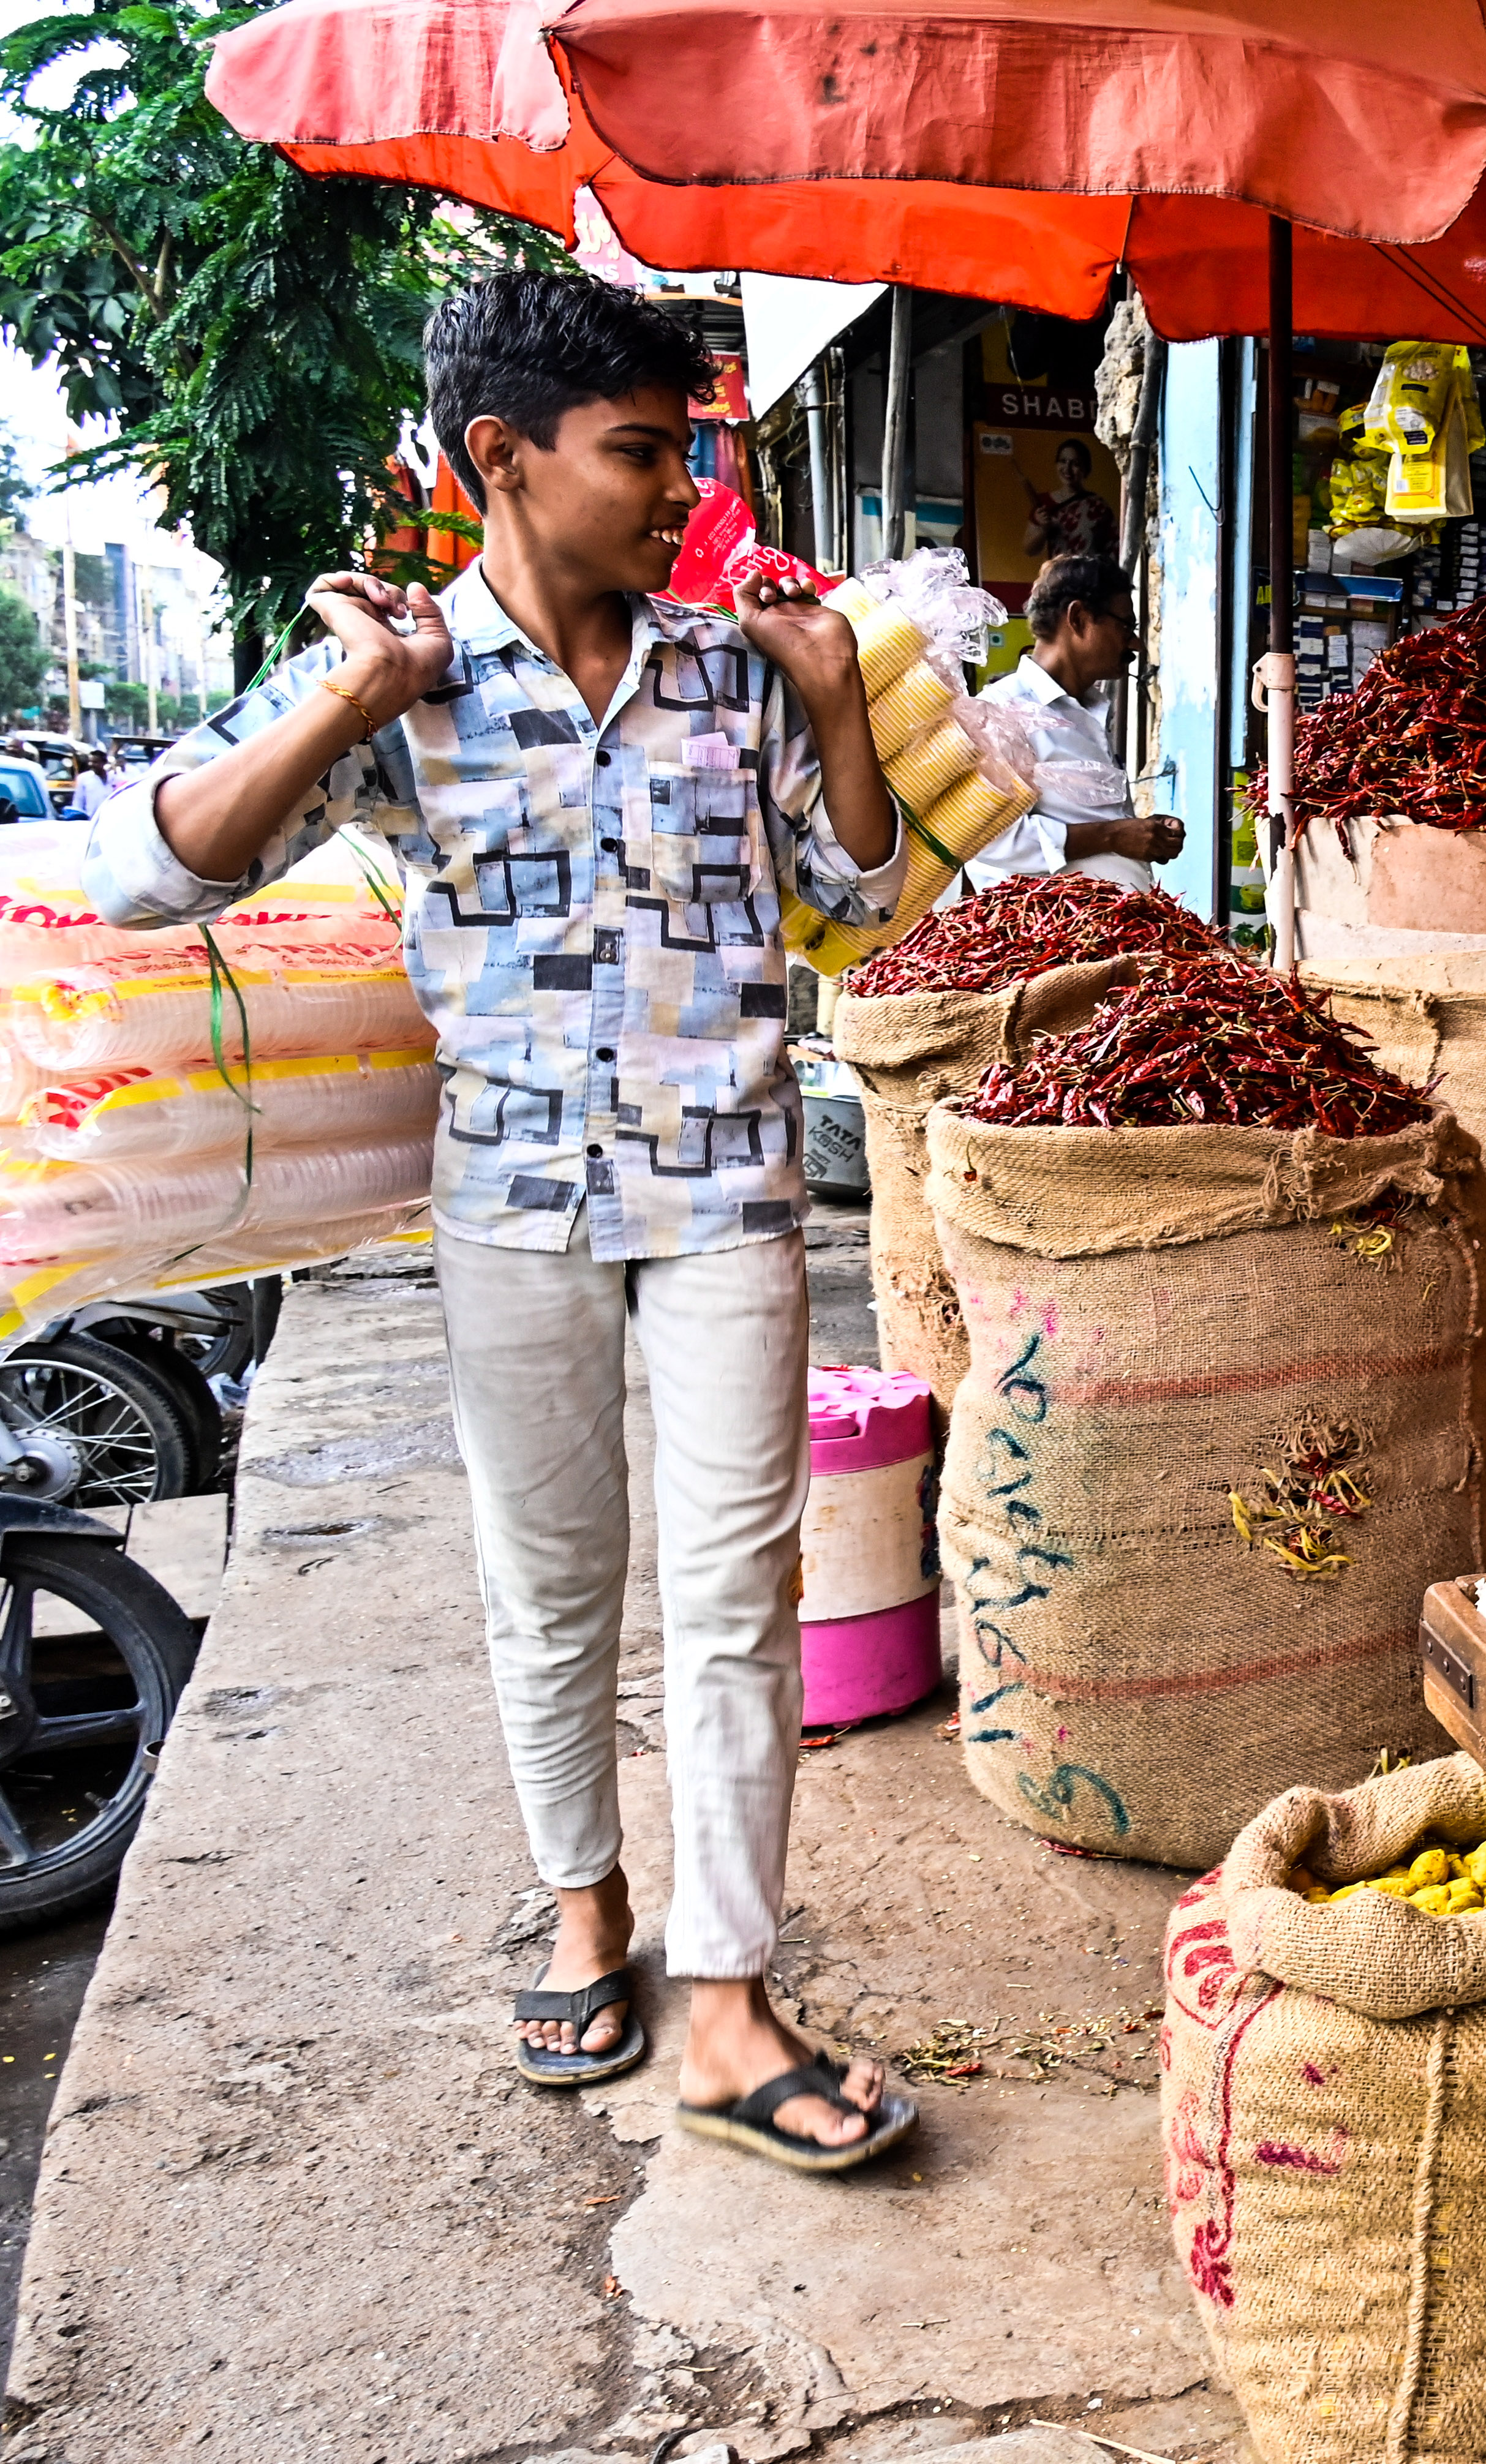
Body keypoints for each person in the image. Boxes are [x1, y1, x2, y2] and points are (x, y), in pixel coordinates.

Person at [87, 270, 920, 2176]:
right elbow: (153, 874)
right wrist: (351, 709)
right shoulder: (403, 672)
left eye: (690, 444)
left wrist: (840, 704)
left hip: (728, 1194)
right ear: (502, 461)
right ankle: (584, 1908)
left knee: (738, 1597)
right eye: (642, 451)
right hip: (518, 1211)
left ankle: (725, 1997)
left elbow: (864, 912)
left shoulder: (728, 666)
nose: (681, 486)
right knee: (548, 1591)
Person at [952, 552, 1182, 900]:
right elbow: (987, 838)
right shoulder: (1002, 711)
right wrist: (1113, 835)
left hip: (1105, 931)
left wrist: (1143, 834)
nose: (1134, 644)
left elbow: (1087, 817)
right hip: (1045, 938)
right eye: (1125, 627)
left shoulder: (1087, 710)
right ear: (1078, 619)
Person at [1022, 437, 1117, 567]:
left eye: (1075, 464)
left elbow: (1113, 548)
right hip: (1059, 578)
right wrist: (1044, 530)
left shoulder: (1098, 506)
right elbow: (1029, 550)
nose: (1068, 469)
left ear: (1085, 469)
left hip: (1090, 579)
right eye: (1063, 461)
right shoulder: (1043, 504)